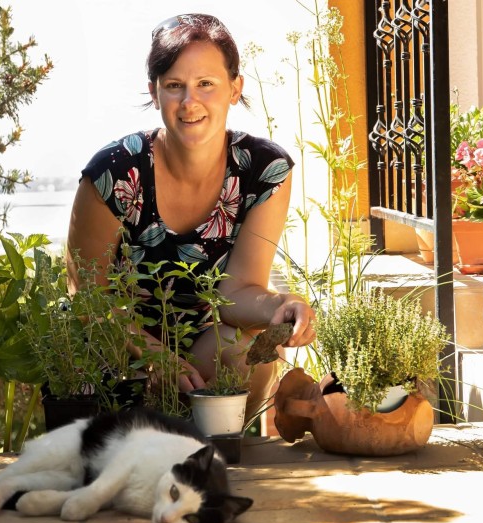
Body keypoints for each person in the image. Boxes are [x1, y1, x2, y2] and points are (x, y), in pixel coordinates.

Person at [66, 13, 315, 415]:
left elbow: (237, 292)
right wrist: (156, 358)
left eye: (206, 84)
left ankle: (220, 450)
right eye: (174, 86)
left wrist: (281, 306)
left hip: (204, 344)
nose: (189, 102)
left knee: (241, 352)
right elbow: (87, 297)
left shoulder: (263, 170)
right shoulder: (113, 172)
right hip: (118, 345)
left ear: (235, 88)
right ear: (154, 92)